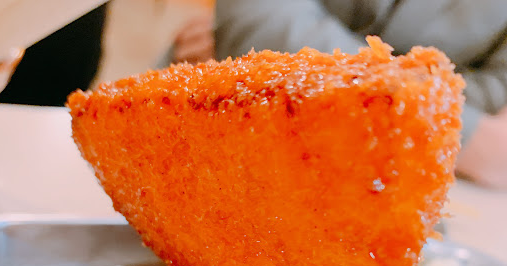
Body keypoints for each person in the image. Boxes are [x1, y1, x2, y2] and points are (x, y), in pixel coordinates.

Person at [215, 0, 507, 189]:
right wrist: (444, 121)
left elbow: (497, 104)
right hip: (240, 145)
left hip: (413, 189)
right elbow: (258, 18)